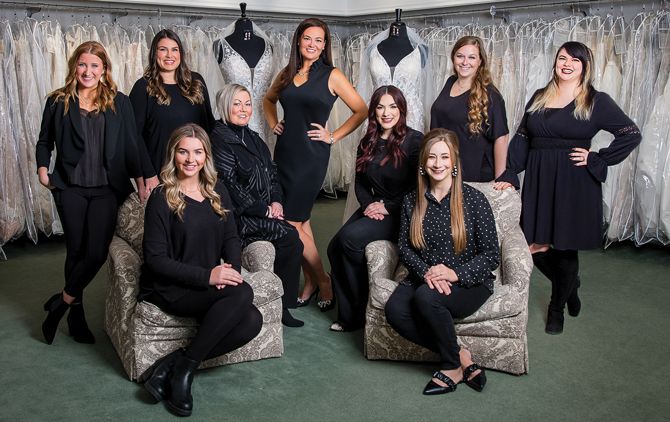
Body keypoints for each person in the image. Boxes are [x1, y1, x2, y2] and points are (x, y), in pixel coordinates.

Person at [495, 41, 642, 334]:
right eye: (563, 58)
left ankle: (556, 307)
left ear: (584, 67)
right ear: (555, 62)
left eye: (575, 60)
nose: (567, 64)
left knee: (564, 248)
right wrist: (510, 172)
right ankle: (569, 285)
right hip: (539, 178)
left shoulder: (595, 100)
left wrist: (597, 158)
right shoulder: (540, 96)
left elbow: (630, 134)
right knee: (531, 246)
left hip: (574, 181)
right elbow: (523, 137)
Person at [140, 123, 262, 417]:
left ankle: (178, 364)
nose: (190, 159)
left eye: (197, 152)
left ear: (206, 156)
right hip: (171, 288)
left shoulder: (217, 189)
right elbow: (155, 259)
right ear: (173, 154)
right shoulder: (161, 196)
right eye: (183, 152)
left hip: (209, 285)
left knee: (253, 321)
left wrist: (229, 270)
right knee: (244, 294)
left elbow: (232, 236)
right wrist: (209, 276)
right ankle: (183, 376)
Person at [36, 41, 146, 345]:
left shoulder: (119, 102)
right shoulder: (58, 101)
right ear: (75, 66)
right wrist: (42, 168)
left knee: (96, 252)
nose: (88, 71)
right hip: (70, 187)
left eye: (94, 66)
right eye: (83, 65)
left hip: (106, 189)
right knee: (76, 250)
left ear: (104, 70)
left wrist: (141, 179)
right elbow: (44, 141)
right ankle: (76, 316)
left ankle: (61, 302)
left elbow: (131, 146)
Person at [385, 129, 499, 395]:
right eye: (432, 158)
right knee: (395, 311)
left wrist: (454, 274)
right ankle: (462, 356)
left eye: (445, 157)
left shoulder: (474, 200)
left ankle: (451, 367)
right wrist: (426, 273)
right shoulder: (411, 201)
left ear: (454, 162)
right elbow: (404, 246)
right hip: (424, 277)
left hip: (469, 282)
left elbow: (491, 255)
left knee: (426, 298)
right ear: (423, 163)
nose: (438, 164)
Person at [263, 17, 367, 311]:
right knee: (301, 221)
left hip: (311, 157)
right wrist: (273, 124)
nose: (313, 44)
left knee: (289, 223)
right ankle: (311, 281)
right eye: (308, 38)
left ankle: (323, 280)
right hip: (284, 154)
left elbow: (361, 109)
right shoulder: (287, 72)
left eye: (319, 40)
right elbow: (268, 100)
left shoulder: (332, 75)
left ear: (325, 46)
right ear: (299, 41)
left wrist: (333, 135)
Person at [327, 85, 422, 332]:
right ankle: (349, 315)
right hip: (374, 207)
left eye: (392, 106)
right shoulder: (367, 141)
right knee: (334, 247)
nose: (386, 112)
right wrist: (370, 205)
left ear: (401, 109)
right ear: (374, 112)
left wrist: (387, 207)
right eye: (380, 107)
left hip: (400, 210)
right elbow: (358, 182)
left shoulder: (414, 141)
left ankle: (361, 309)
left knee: (349, 240)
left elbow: (418, 188)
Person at [210, 83, 304, 328]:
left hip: (263, 209)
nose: (243, 109)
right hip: (239, 216)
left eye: (248, 103)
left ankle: (284, 303)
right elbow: (228, 184)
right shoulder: (219, 138)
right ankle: (282, 305)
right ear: (224, 107)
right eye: (236, 104)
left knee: (291, 238)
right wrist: (263, 210)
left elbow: (272, 173)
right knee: (291, 236)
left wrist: (276, 202)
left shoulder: (254, 137)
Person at [130, 28, 215, 195]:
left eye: (174, 49)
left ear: (181, 54)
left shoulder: (196, 82)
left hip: (194, 171)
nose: (170, 55)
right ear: (155, 54)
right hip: (159, 174)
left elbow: (209, 126)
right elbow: (133, 137)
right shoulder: (143, 87)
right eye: (163, 49)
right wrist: (148, 174)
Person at [430, 36, 509, 182]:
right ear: (453, 58)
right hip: (445, 168)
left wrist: (500, 179)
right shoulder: (450, 82)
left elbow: (501, 137)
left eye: (471, 57)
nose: (465, 62)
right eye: (460, 56)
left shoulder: (490, 94)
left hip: (473, 173)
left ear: (480, 62)